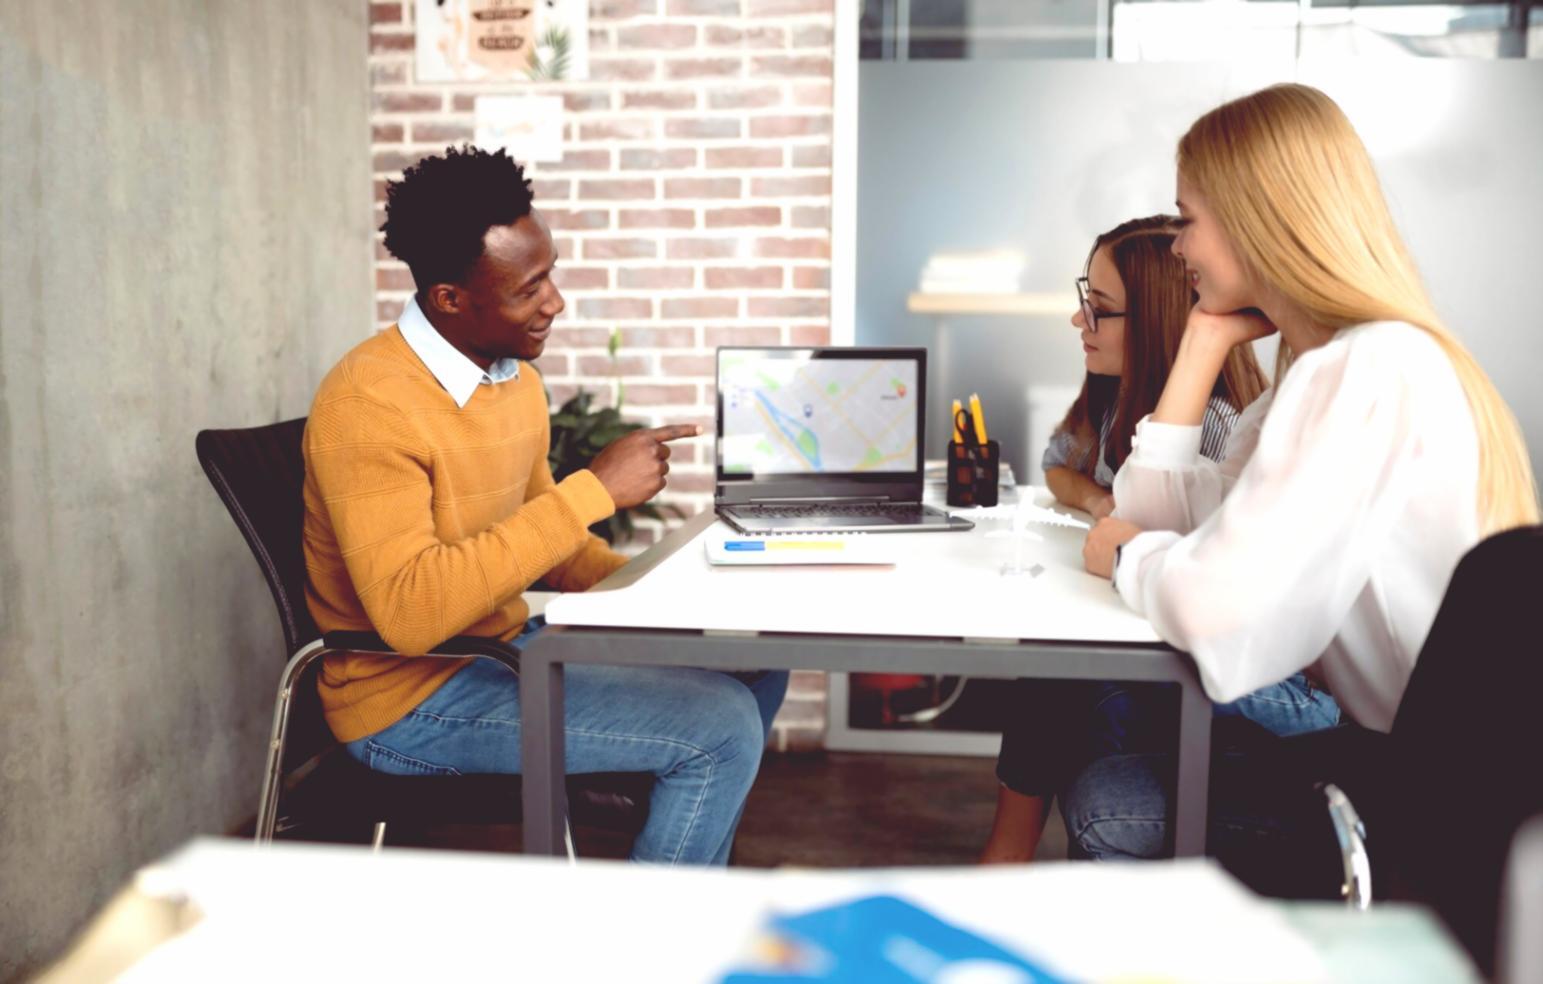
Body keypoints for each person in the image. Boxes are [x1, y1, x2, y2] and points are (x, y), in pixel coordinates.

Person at [1070, 83, 1538, 868]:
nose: (1177, 248)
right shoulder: (1335, 368)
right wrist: (1202, 341)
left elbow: (1212, 610)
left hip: (1437, 797)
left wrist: (1124, 556)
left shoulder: (1365, 370)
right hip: (1424, 765)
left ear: (1256, 218)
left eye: (1187, 220)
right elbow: (1173, 515)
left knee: (1107, 801)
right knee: (1110, 746)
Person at [301, 145, 788, 865]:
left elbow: (550, 548)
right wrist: (593, 490)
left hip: (503, 652)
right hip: (408, 701)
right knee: (720, 728)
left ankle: (683, 852)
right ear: (450, 299)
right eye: (529, 288)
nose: (555, 301)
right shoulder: (368, 405)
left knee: (756, 660)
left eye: (550, 273)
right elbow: (409, 615)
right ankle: (667, 921)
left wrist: (667, 595)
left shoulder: (511, 381)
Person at [981, 217, 1339, 864]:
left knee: (1061, 676)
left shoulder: (1221, 426)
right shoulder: (1119, 399)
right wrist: (1102, 505)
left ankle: (1013, 852)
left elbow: (1180, 567)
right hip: (1214, 642)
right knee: (1056, 672)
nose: (1079, 320)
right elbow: (1060, 464)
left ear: (1153, 322)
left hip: (1273, 680)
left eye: (1100, 308)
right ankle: (1019, 853)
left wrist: (1125, 541)